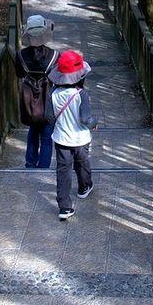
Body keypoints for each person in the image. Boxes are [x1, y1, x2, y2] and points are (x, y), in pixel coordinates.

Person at [46, 50, 97, 220]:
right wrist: (94, 123)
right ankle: (84, 187)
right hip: (80, 139)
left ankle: (64, 207)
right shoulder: (81, 94)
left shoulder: (53, 94)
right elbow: (85, 118)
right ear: (80, 76)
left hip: (61, 139)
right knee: (82, 164)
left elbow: (49, 117)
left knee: (63, 171)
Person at [17, 15, 58, 168]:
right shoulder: (54, 55)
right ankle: (43, 168)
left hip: (29, 100)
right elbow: (58, 78)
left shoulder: (20, 55)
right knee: (47, 137)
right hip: (48, 100)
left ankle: (30, 163)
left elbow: (20, 74)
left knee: (33, 130)